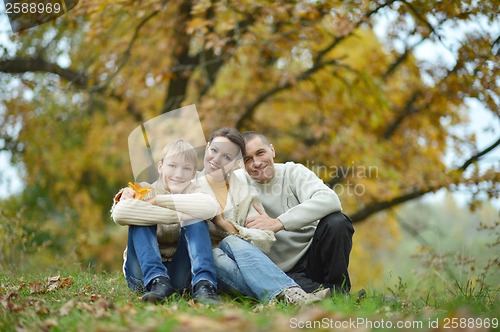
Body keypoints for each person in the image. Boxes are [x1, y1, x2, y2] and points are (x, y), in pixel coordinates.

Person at [196, 128, 325, 304]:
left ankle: (286, 297)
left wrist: (224, 224)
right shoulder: (189, 186)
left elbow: (265, 239)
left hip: (247, 262)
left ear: (235, 163)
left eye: (227, 157)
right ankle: (291, 295)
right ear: (207, 147)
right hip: (210, 265)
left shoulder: (243, 192)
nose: (218, 159)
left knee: (230, 241)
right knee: (214, 255)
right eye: (214, 150)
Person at [240, 131, 354, 294]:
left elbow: (331, 200)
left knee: (337, 222)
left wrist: (278, 223)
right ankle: (322, 293)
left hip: (314, 257)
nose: (256, 163)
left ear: (272, 150)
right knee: (304, 291)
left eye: (260, 153)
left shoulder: (293, 172)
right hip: (281, 272)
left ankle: (339, 290)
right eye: (248, 159)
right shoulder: (238, 185)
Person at [111, 140, 220, 304]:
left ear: (193, 173)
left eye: (187, 168)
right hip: (142, 275)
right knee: (140, 219)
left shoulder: (196, 191)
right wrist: (180, 215)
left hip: (180, 275)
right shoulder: (146, 190)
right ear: (160, 167)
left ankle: (204, 286)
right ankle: (157, 281)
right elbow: (119, 214)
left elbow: (211, 208)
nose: (179, 173)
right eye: (172, 166)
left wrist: (160, 202)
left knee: (197, 218)